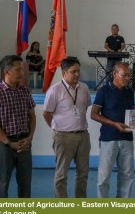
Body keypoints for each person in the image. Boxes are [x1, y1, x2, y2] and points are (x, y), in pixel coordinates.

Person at [0, 55, 36, 197]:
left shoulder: (25, 91)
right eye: (18, 69)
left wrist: (30, 137)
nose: (22, 73)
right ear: (7, 71)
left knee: (25, 185)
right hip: (4, 145)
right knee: (2, 185)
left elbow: (32, 116)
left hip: (24, 143)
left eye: (22, 69)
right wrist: (9, 142)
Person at [43, 57, 92, 198]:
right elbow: (46, 113)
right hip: (63, 137)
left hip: (83, 135)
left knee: (83, 174)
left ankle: (80, 204)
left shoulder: (84, 88)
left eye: (78, 71)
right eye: (73, 72)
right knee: (61, 174)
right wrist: (56, 128)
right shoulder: (55, 90)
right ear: (64, 73)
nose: (77, 74)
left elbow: (85, 108)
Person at [91, 62, 135, 198]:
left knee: (127, 176)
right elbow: (94, 114)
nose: (127, 78)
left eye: (129, 75)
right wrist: (114, 124)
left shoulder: (130, 92)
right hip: (108, 139)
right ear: (114, 74)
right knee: (103, 178)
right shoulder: (103, 91)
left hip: (127, 139)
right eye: (124, 75)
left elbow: (131, 114)